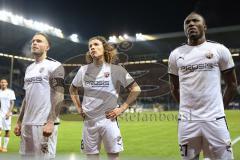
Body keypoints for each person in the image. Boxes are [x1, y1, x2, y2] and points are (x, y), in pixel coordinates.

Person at [168, 12, 237, 160]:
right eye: (187, 23)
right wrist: (186, 109)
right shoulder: (175, 55)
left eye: (195, 21)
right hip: (187, 122)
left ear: (204, 26)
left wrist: (220, 108)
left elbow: (232, 84)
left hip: (215, 120)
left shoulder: (219, 50)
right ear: (185, 29)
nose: (191, 24)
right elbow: (174, 87)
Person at [69, 36, 141, 160]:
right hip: (89, 121)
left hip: (109, 120)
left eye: (96, 44)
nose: (92, 47)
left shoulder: (117, 70)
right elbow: (72, 89)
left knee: (113, 157)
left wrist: (121, 109)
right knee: (91, 157)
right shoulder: (83, 70)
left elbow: (136, 89)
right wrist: (79, 108)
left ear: (105, 48)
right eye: (90, 46)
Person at [13, 32, 64, 159]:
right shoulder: (29, 69)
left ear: (47, 47)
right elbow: (27, 97)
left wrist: (51, 122)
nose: (35, 43)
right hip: (27, 124)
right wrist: (19, 122)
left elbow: (59, 95)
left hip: (43, 124)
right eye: (33, 41)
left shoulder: (55, 66)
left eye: (39, 41)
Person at [0, 79, 16, 152]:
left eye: (4, 82)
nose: (3, 83)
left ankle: (5, 147)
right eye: (2, 82)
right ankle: (0, 146)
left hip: (7, 113)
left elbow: (12, 103)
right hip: (0, 113)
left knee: (7, 130)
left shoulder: (10, 92)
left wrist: (9, 112)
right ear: (0, 84)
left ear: (7, 83)